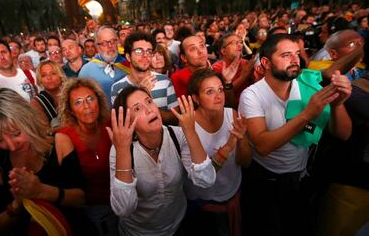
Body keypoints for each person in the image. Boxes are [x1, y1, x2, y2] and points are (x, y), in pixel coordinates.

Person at [238, 33, 352, 236]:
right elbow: (263, 146)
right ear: (266, 62)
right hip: (266, 182)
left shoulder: (307, 87)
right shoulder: (252, 95)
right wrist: (308, 114)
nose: (295, 60)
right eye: (286, 55)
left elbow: (343, 134)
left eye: (297, 54)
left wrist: (338, 105)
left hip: (300, 179)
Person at [0, 88, 96, 235]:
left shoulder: (59, 143)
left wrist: (41, 191)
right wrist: (17, 204)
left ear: (28, 120)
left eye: (16, 133)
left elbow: (81, 199)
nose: (11, 145)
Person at [108, 86, 216, 236]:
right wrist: (122, 151)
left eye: (149, 102)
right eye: (137, 109)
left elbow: (207, 179)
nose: (149, 110)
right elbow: (124, 209)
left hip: (177, 225)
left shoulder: (177, 135)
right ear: (128, 121)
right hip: (137, 232)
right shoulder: (120, 150)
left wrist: (190, 131)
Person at [183, 69, 251, 236]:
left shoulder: (232, 115)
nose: (219, 96)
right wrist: (228, 146)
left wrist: (242, 140)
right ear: (195, 98)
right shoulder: (188, 127)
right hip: (205, 203)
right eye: (209, 92)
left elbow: (246, 162)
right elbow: (204, 178)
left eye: (220, 89)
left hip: (233, 193)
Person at [56, 78, 118, 236]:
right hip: (91, 211)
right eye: (78, 102)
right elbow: (69, 187)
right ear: (70, 110)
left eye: (90, 99)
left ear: (99, 101)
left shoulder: (112, 125)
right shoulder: (64, 137)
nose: (87, 106)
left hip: (122, 201)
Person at [111, 31, 178, 125]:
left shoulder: (164, 81)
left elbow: (175, 118)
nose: (145, 55)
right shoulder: (117, 88)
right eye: (139, 51)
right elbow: (122, 124)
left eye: (149, 51)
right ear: (128, 57)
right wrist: (141, 93)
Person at [79, 26, 130, 104]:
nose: (110, 46)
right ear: (97, 47)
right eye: (104, 43)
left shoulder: (129, 65)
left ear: (118, 42)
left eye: (113, 41)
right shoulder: (86, 71)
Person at [31, 60, 66, 128]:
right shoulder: (36, 103)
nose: (49, 78)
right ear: (40, 79)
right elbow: (44, 132)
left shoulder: (71, 94)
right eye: (44, 75)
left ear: (60, 75)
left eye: (53, 73)